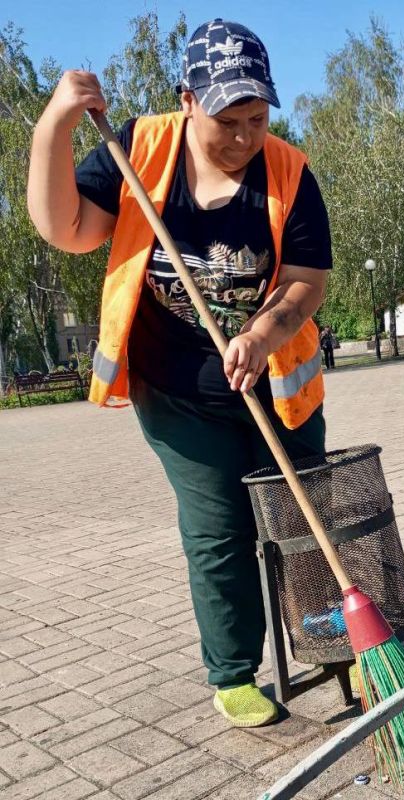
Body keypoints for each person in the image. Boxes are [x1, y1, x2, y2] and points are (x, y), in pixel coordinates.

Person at [28, 19, 333, 728]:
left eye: (257, 119)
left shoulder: (289, 172)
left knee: (303, 520)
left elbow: (306, 281)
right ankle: (234, 673)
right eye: (228, 120)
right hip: (178, 393)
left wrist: (259, 334)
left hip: (277, 384)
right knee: (219, 529)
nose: (244, 137)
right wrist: (54, 126)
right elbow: (65, 228)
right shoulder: (137, 150)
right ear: (188, 100)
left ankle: (336, 645)